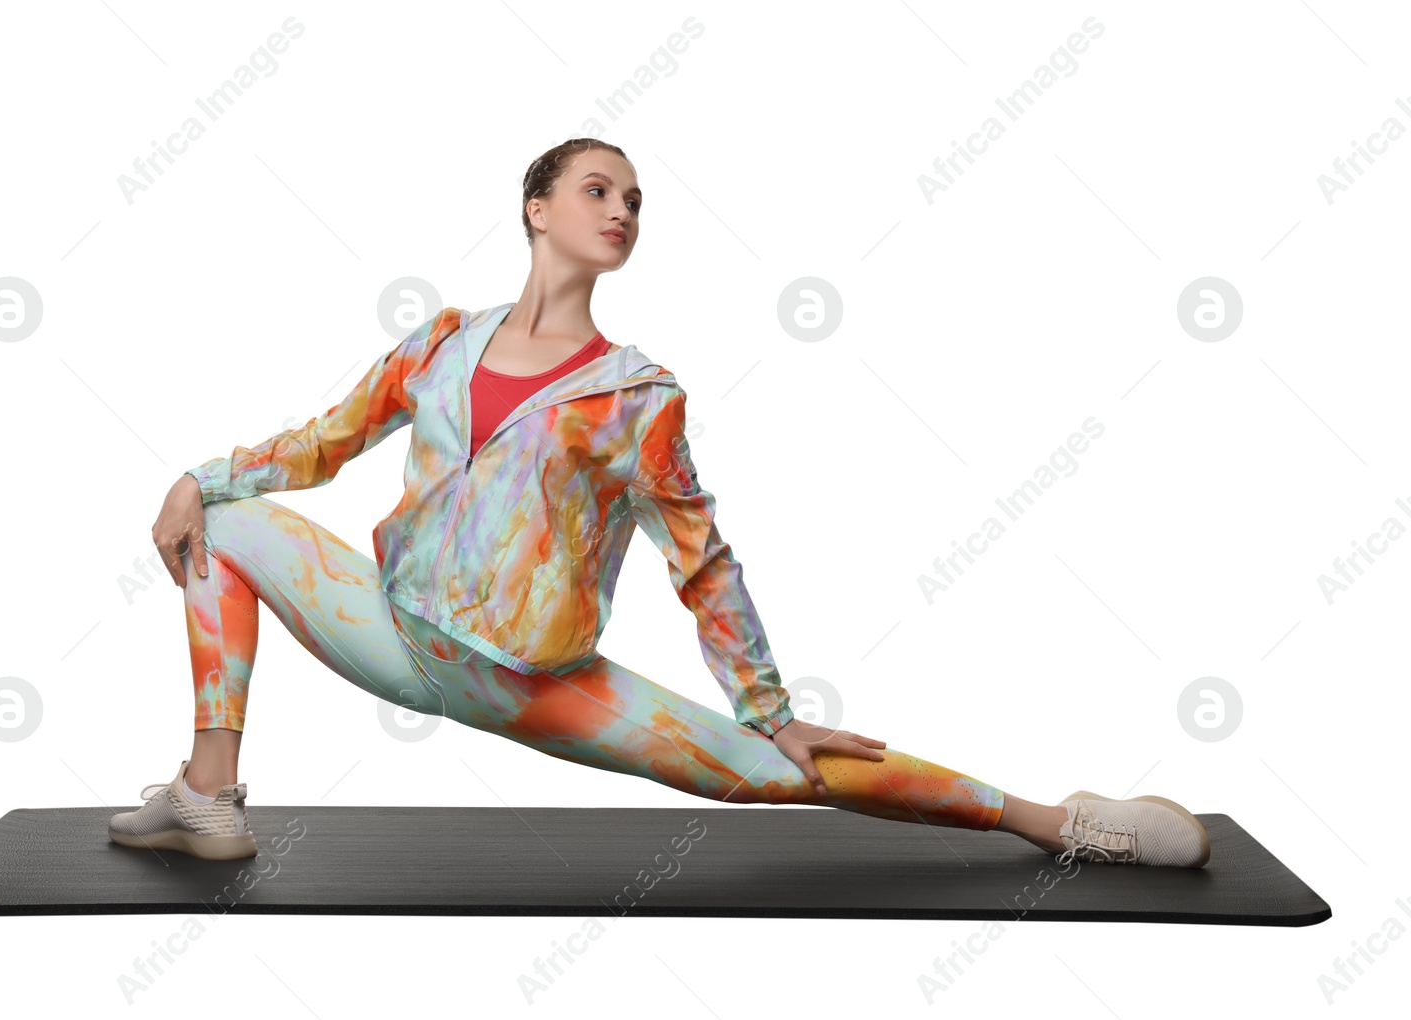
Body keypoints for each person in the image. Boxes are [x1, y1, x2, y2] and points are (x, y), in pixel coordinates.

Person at [108, 139, 1210, 869]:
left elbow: (703, 563)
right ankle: (210, 795)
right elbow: (324, 443)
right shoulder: (438, 343)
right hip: (393, 633)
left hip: (528, 683)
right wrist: (197, 478)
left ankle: (1059, 823)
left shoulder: (636, 397)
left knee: (773, 775)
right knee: (228, 525)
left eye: (635, 200)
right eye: (599, 189)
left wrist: (769, 707)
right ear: (535, 209)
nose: (623, 209)